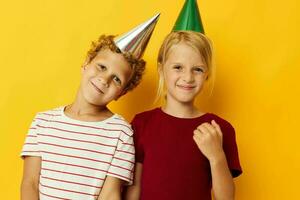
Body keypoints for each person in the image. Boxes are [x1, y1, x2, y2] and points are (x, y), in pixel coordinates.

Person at [20, 14, 159, 200]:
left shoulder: (121, 133)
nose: (105, 79)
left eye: (117, 79)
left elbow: (110, 194)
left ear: (122, 93)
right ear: (86, 63)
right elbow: (30, 183)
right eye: (101, 67)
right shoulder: (43, 122)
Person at [124, 1, 242, 200]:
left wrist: (216, 156)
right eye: (178, 67)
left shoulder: (218, 129)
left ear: (207, 74)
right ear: (162, 69)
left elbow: (226, 198)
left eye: (197, 69)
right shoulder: (142, 124)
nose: (188, 77)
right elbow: (134, 187)